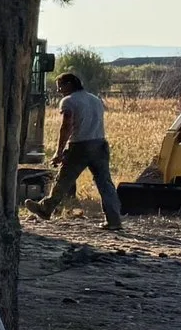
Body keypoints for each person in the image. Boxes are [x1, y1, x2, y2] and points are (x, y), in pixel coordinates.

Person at [39, 72, 123, 232]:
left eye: (60, 87)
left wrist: (59, 152)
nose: (59, 91)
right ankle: (114, 220)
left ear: (69, 84)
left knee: (63, 180)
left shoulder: (69, 101)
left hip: (80, 146)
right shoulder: (95, 99)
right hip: (100, 144)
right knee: (105, 184)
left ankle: (46, 209)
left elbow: (66, 126)